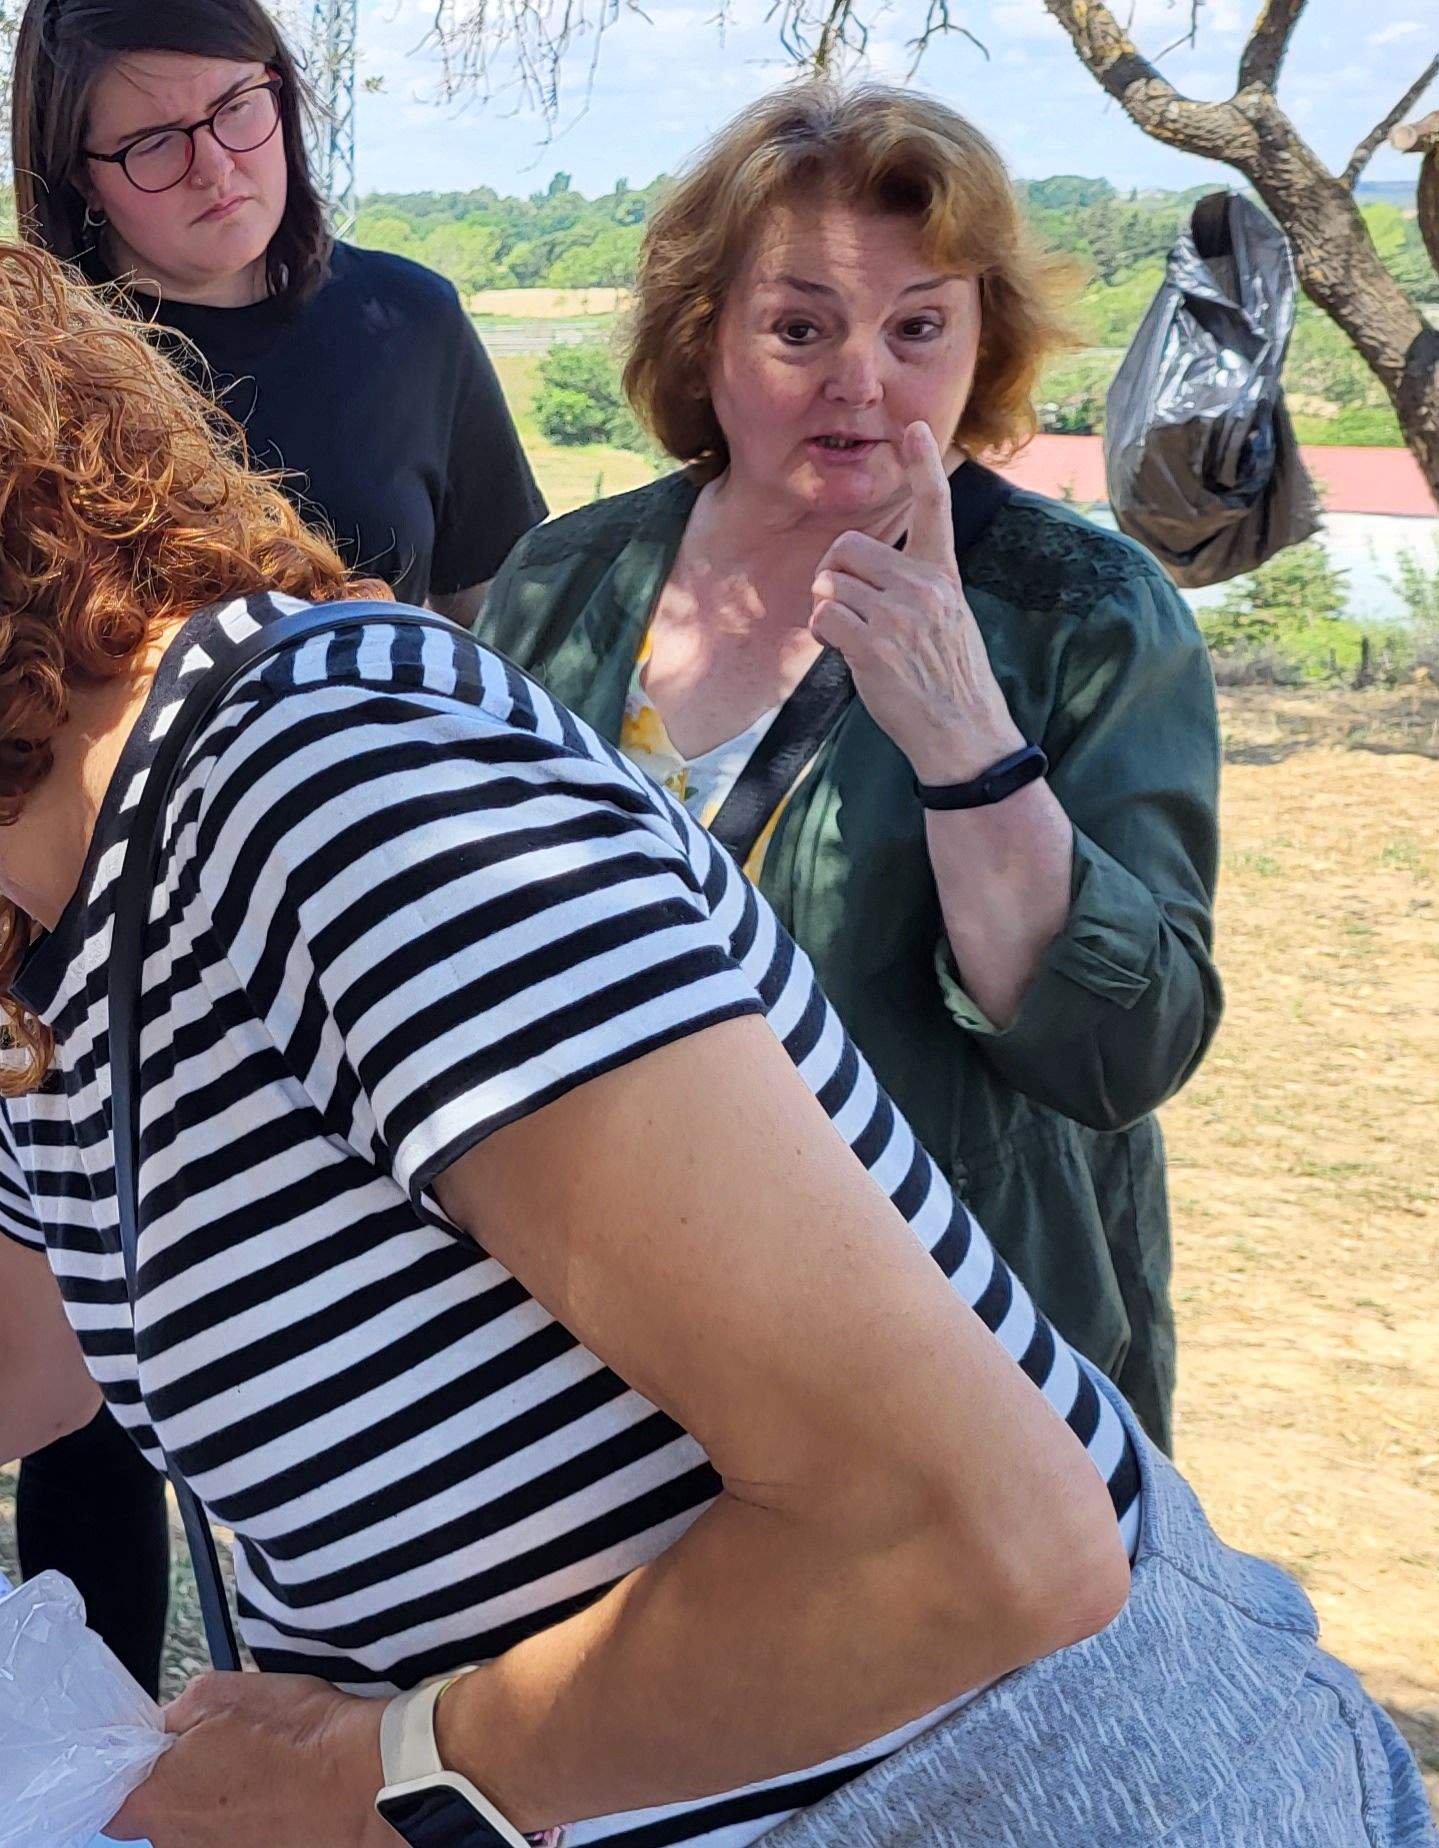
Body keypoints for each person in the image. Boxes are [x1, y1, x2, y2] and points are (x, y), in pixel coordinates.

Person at [0, 203, 1430, 1847]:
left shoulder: (333, 795)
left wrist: (389, 1775)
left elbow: (970, 1537)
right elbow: (14, 1351)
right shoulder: (70, 908)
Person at [0, 0, 557, 1690]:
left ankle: (362, 1739)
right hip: (44, 938)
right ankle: (99, 1748)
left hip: (336, 938)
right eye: (154, 141)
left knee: (330, 1360)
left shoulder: (409, 320)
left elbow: (490, 618)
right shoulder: (15, 358)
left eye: (242, 110)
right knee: (91, 1385)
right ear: (76, 177)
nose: (217, 165)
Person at [472, 84, 1220, 1448]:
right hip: (601, 1366)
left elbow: (1129, 1051)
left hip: (955, 1390)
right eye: (801, 327)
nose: (862, 380)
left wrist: (965, 741)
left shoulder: (1085, 613)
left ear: (982, 334)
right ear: (706, 338)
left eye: (917, 326)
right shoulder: (564, 586)